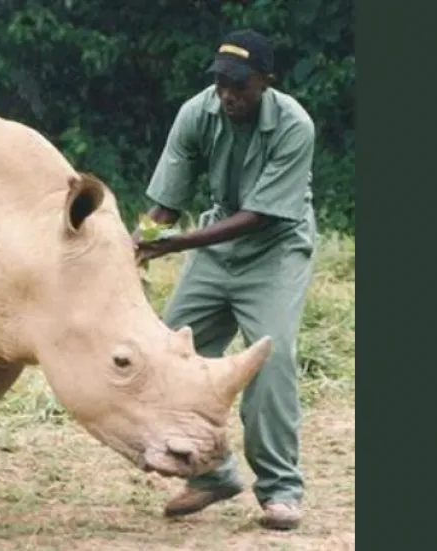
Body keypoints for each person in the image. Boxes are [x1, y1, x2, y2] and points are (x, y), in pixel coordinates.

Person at [132, 29, 318, 531]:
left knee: (270, 358)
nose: (228, 95)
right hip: (215, 248)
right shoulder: (199, 112)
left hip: (275, 248)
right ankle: (213, 474)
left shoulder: (293, 125)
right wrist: (139, 245)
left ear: (264, 82)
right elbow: (166, 202)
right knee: (170, 355)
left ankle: (280, 489)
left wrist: (177, 244)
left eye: (239, 85)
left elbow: (260, 214)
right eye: (220, 84)